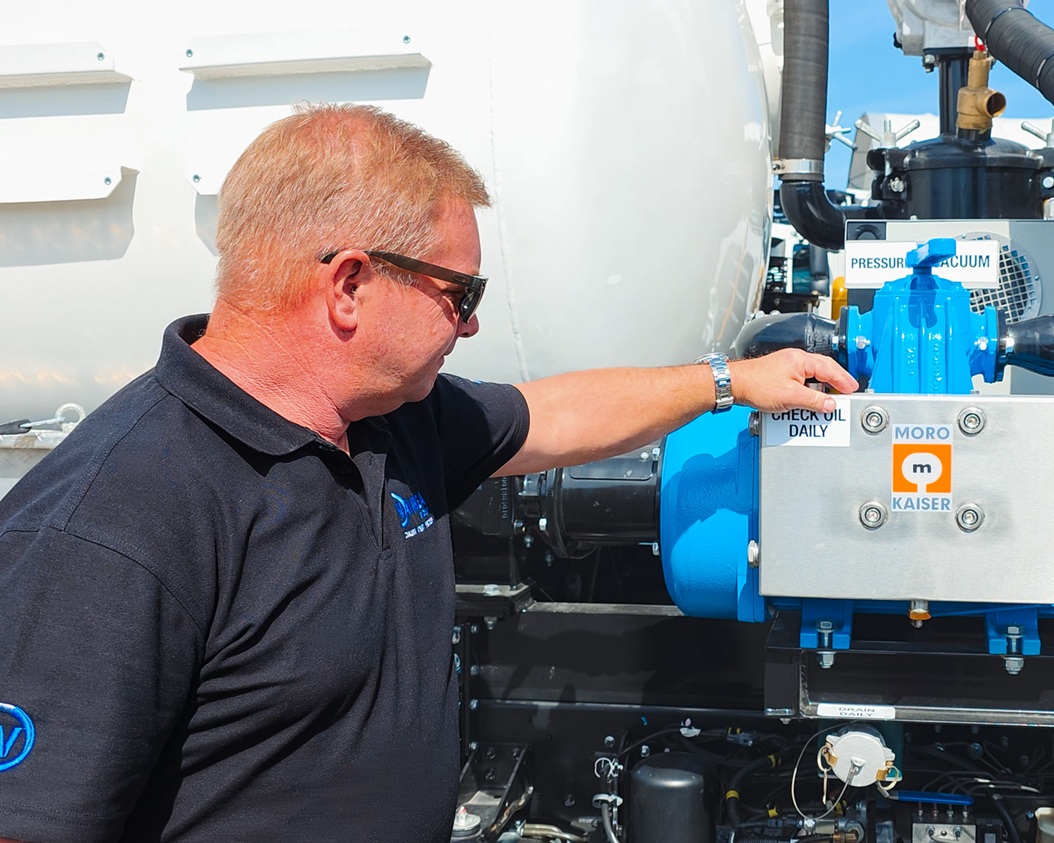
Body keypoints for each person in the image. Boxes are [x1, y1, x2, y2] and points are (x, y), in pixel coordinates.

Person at [0, 104, 855, 843]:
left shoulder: (391, 423)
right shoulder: (110, 525)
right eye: (460, 295)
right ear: (349, 286)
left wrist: (727, 382)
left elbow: (548, 415)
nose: (471, 327)